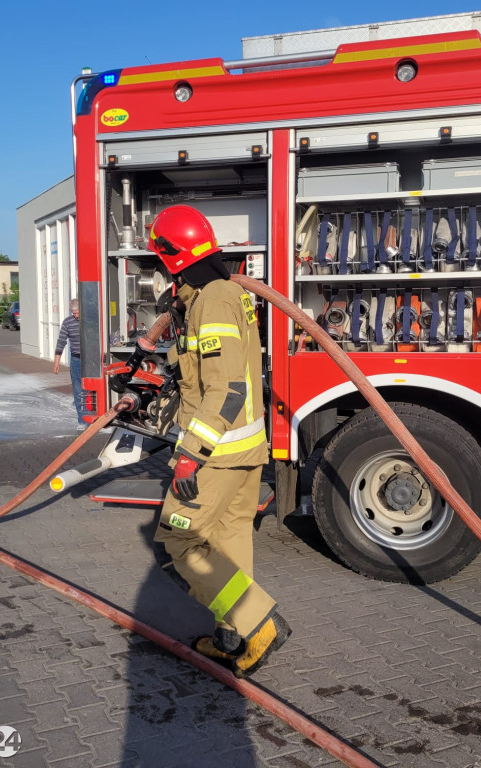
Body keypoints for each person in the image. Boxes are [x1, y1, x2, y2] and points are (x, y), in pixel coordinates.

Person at [146, 205, 291, 678]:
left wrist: (190, 456)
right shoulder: (220, 294)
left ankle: (258, 622)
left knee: (178, 541)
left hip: (215, 455)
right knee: (229, 543)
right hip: (243, 451)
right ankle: (234, 635)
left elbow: (227, 388)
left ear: (171, 257)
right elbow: (203, 374)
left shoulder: (212, 300)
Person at [53, 298, 86, 429]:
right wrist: (57, 362)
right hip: (76, 359)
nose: (76, 315)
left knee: (91, 388)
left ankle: (95, 417)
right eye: (74, 313)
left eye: (78, 312)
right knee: (78, 389)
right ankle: (82, 421)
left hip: (91, 359)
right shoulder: (67, 322)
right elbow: (61, 341)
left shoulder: (89, 321)